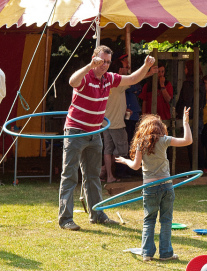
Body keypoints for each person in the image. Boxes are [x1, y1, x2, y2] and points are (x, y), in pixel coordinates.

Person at [59, 45, 155, 231]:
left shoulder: (109, 79)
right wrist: (89, 66)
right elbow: (72, 81)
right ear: (95, 58)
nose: (105, 65)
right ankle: (65, 219)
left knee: (93, 176)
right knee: (70, 176)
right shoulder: (85, 77)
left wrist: (145, 66)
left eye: (108, 62)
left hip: (95, 133)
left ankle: (98, 215)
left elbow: (133, 78)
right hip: (75, 132)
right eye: (102, 61)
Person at [115, 107, 192, 262]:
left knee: (149, 220)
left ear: (143, 128)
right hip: (166, 186)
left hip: (149, 187)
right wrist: (185, 123)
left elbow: (136, 166)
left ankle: (147, 254)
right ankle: (165, 253)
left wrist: (124, 161)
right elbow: (188, 140)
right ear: (160, 128)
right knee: (166, 220)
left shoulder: (141, 143)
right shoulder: (163, 140)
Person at [102, 59, 130, 183]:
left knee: (107, 150)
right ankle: (104, 171)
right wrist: (149, 71)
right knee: (122, 150)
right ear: (119, 70)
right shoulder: (118, 84)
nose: (127, 69)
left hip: (105, 122)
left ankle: (109, 175)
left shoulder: (106, 82)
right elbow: (135, 79)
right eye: (125, 67)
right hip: (117, 124)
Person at [176, 60, 206, 170]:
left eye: (186, 67)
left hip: (190, 116)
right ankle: (199, 167)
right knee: (197, 141)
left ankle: (195, 168)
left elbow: (186, 100)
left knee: (191, 142)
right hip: (198, 115)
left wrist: (182, 114)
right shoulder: (201, 83)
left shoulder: (188, 83)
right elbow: (203, 102)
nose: (184, 70)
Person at [139, 61, 173, 128]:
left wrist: (162, 85)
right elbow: (144, 102)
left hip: (164, 117)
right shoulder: (148, 85)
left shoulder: (167, 84)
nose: (161, 74)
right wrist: (143, 116)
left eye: (162, 72)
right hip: (150, 118)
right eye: (159, 72)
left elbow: (168, 99)